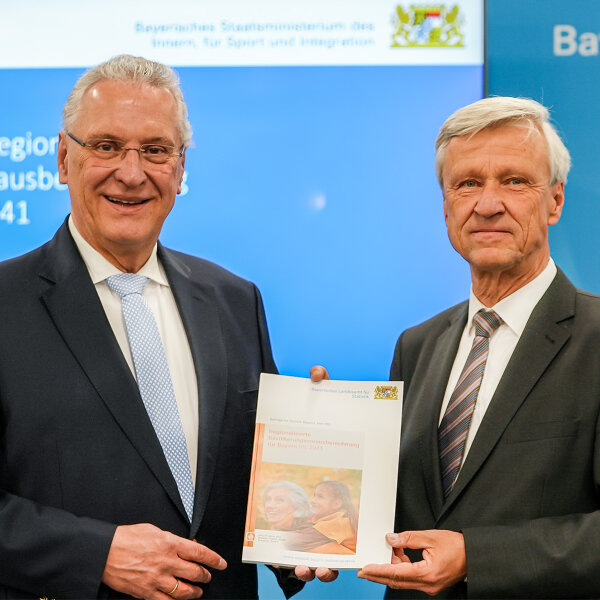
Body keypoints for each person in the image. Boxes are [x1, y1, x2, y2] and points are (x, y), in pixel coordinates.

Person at [0, 54, 332, 599]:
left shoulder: (233, 299)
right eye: (106, 146)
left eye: (155, 151)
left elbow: (249, 487)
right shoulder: (6, 304)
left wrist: (302, 531)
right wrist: (96, 553)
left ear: (179, 170)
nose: (131, 173)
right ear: (63, 158)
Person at [314, 96, 600, 597]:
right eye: (467, 183)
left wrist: (475, 556)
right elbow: (402, 510)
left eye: (514, 181)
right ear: (446, 204)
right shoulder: (418, 345)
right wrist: (325, 438)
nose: (487, 204)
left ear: (555, 200)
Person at [288, 480, 358, 555]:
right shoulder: (326, 516)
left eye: (320, 497)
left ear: (336, 504)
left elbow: (303, 537)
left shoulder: (340, 521)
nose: (313, 501)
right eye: (314, 495)